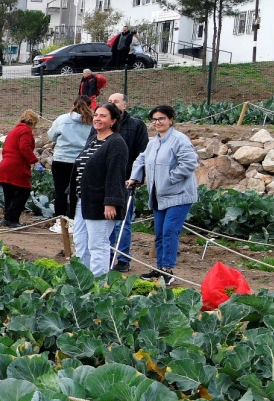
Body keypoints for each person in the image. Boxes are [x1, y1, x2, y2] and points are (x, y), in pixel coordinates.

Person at [127, 104, 198, 287]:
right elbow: (141, 159)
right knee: (159, 233)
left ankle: (167, 270)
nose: (158, 122)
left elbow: (189, 162)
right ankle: (159, 270)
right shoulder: (154, 142)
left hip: (179, 195)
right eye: (155, 119)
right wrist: (135, 177)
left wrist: (170, 179)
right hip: (159, 196)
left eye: (162, 119)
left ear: (171, 119)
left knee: (169, 231)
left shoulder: (179, 139)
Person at [71, 103, 131, 278]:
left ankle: (98, 284)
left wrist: (111, 202)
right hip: (84, 199)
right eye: (96, 115)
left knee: (98, 244)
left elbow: (116, 174)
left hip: (101, 202)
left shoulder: (116, 143)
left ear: (113, 120)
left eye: (103, 116)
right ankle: (83, 280)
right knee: (81, 242)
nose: (97, 118)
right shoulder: (93, 139)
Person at [106, 93, 150, 271]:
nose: (112, 104)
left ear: (124, 105)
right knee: (107, 220)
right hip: (107, 180)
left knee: (123, 221)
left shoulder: (136, 125)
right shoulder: (105, 124)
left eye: (115, 101)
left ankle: (123, 258)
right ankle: (107, 254)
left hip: (126, 180)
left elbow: (143, 152)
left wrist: (138, 177)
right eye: (109, 102)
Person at [44, 99, 94, 220]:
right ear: (90, 106)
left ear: (73, 105)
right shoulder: (92, 121)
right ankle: (73, 219)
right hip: (81, 161)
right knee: (76, 192)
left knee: (60, 191)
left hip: (61, 159)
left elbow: (51, 136)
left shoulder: (62, 119)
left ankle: (60, 220)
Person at [0, 110, 41, 228]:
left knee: (9, 194)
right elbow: (24, 147)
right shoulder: (25, 131)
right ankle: (10, 219)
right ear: (32, 123)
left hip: (5, 165)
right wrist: (34, 161)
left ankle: (8, 218)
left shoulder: (14, 130)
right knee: (23, 191)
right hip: (16, 166)